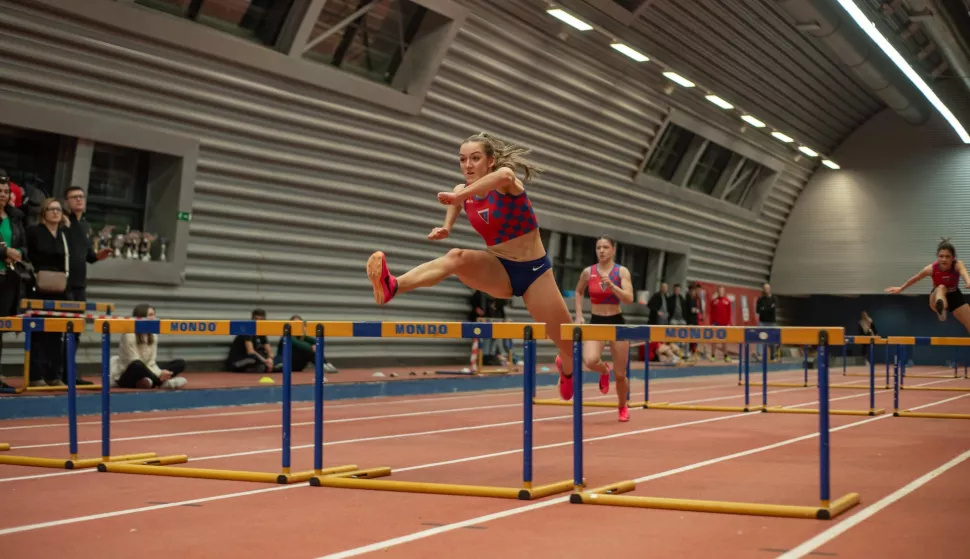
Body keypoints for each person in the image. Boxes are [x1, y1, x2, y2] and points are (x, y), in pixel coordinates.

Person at [365, 132, 578, 400]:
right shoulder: (462, 193)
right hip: (499, 269)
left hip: (535, 273)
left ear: (490, 161)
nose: (467, 165)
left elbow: (502, 177)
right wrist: (447, 227)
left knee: (569, 346)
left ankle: (567, 368)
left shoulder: (504, 182)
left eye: (475, 158)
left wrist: (460, 196)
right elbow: (457, 201)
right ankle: (393, 286)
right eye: (462, 159)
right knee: (456, 257)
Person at [573, 235, 634, 421]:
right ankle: (604, 371)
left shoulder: (621, 272)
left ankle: (622, 406)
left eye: (605, 247)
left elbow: (629, 299)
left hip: (616, 322)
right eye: (598, 247)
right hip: (596, 321)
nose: (601, 251)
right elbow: (579, 291)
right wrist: (578, 315)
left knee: (621, 375)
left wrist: (612, 286)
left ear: (613, 250)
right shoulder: (588, 272)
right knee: (590, 360)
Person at [885, 238, 970, 333]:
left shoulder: (957, 264)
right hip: (936, 296)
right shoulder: (931, 269)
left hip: (954, 295)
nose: (944, 259)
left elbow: (964, 272)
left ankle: (942, 310)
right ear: (937, 257)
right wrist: (901, 288)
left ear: (953, 258)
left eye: (947, 256)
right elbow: (916, 278)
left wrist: (968, 282)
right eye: (941, 256)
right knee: (941, 287)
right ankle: (941, 309)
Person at [109, 304, 187, 389]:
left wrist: (160, 372)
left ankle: (150, 381)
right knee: (137, 365)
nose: (153, 318)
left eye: (154, 315)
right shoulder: (129, 335)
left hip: (148, 369)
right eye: (150, 315)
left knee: (180, 363)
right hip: (127, 373)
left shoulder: (153, 335)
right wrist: (159, 373)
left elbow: (152, 362)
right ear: (140, 317)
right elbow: (133, 361)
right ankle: (160, 383)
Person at [0, 177, 28, 391]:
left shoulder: (15, 218)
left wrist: (18, 253)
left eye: (5, 191)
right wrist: (4, 251)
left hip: (8, 278)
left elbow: (24, 246)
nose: (2, 194)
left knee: (0, 327)